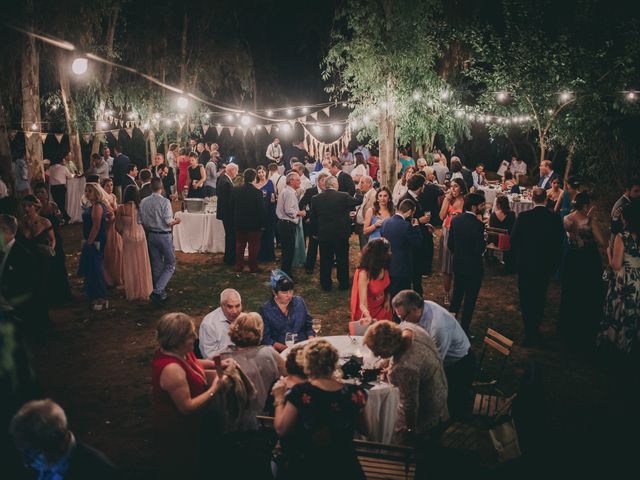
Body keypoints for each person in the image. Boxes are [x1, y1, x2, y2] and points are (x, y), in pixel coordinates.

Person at [272, 339, 368, 480]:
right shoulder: (355, 392)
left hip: (308, 466)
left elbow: (281, 429)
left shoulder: (301, 393)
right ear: (334, 363)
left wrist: (279, 399)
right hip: (344, 466)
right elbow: (366, 429)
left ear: (307, 364)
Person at [364, 321, 448, 468]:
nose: (376, 355)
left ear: (388, 348)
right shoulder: (409, 329)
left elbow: (409, 404)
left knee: (403, 447)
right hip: (440, 385)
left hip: (427, 405)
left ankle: (412, 468)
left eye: (377, 351)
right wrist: (388, 364)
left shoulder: (405, 367)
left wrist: (409, 429)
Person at [152, 313, 225, 478]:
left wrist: (217, 364)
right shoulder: (172, 370)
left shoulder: (182, 352)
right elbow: (186, 407)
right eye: (190, 335)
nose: (196, 337)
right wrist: (214, 388)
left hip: (197, 424)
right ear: (176, 340)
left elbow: (194, 363)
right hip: (179, 431)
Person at [392, 290, 474, 419]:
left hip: (459, 365)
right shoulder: (420, 309)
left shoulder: (439, 327)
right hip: (442, 358)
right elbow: (404, 328)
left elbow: (434, 363)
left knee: (446, 410)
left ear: (414, 310)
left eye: (403, 317)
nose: (401, 321)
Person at [10, 399, 118, 480]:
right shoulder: (50, 461)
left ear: (58, 440)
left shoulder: (99, 471)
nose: (26, 463)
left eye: (33, 453)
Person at [510, 187, 564, 346]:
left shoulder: (523, 217)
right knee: (540, 298)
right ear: (546, 200)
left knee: (526, 298)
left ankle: (529, 331)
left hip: (526, 265)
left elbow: (513, 240)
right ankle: (534, 330)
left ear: (532, 199)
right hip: (544, 265)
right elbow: (559, 243)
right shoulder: (554, 218)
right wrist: (554, 264)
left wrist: (518, 258)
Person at [558, 192, 606, 350]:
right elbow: (601, 242)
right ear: (586, 205)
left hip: (572, 258)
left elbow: (571, 235)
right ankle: (583, 328)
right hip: (587, 260)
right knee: (586, 291)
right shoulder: (590, 221)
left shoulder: (567, 218)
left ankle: (566, 328)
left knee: (571, 290)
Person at [220, 312, 286, 426]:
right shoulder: (269, 353)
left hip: (232, 421)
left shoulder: (223, 357)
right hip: (267, 420)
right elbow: (289, 375)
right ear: (259, 332)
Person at [598, 199, 640, 356]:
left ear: (627, 219)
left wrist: (609, 252)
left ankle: (616, 346)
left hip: (625, 280)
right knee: (633, 312)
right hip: (638, 280)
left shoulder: (622, 237)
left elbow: (616, 265)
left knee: (620, 311)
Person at [0, 214, 49, 341]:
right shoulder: (3, 251)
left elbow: (28, 287)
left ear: (6, 231)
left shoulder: (22, 256)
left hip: (15, 310)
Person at [310, 176, 360, 291]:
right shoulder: (343, 196)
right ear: (334, 184)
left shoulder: (316, 198)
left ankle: (326, 284)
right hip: (340, 234)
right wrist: (359, 191)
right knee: (342, 259)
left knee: (325, 259)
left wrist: (314, 232)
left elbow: (314, 218)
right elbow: (358, 201)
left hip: (324, 234)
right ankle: (343, 283)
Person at [447, 193, 486, 333]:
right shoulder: (478, 225)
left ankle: (450, 327)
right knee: (470, 301)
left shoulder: (456, 221)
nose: (484, 207)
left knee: (456, 297)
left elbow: (450, 244)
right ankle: (464, 330)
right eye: (482, 205)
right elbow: (479, 248)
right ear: (474, 207)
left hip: (458, 264)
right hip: (474, 268)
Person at [139, 179, 181, 306]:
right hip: (164, 235)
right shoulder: (164, 201)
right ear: (161, 187)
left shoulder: (143, 201)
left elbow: (140, 220)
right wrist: (177, 220)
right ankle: (158, 291)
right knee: (170, 264)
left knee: (157, 264)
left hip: (151, 235)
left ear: (151, 187)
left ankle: (161, 294)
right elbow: (168, 221)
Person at [34, 183, 72, 305]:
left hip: (56, 238)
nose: (40, 195)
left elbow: (60, 220)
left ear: (47, 193)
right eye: (37, 192)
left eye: (42, 192)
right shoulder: (34, 209)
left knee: (58, 265)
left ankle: (62, 295)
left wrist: (59, 217)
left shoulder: (53, 206)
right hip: (42, 241)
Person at [259, 271, 314, 352]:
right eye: (284, 292)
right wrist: (286, 349)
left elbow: (309, 324)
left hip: (304, 347)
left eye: (291, 291)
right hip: (281, 351)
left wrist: (311, 338)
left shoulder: (299, 302)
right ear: (274, 292)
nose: (289, 295)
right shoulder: (266, 309)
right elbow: (266, 338)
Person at [397, 174, 434, 294]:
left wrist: (425, 225)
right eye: (423, 185)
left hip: (418, 237)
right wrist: (419, 221)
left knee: (417, 269)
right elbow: (403, 221)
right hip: (410, 241)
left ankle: (417, 292)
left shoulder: (417, 197)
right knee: (413, 270)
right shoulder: (405, 199)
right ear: (420, 186)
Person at [115, 185, 153, 301]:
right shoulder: (141, 207)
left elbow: (117, 226)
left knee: (130, 264)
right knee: (142, 262)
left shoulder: (121, 208)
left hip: (127, 237)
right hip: (140, 236)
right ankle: (144, 289)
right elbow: (146, 223)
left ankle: (132, 290)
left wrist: (124, 233)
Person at [381, 199, 423, 297]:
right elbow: (418, 243)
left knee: (389, 295)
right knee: (402, 297)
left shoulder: (385, 222)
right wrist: (416, 227)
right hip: (402, 268)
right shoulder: (406, 226)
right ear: (409, 212)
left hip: (388, 265)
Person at [78, 183, 109, 311]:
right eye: (86, 191)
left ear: (97, 192)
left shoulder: (97, 206)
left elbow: (96, 226)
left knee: (96, 269)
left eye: (90, 191)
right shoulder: (92, 205)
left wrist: (89, 242)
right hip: (90, 238)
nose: (87, 193)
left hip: (95, 240)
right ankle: (93, 295)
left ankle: (102, 297)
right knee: (92, 268)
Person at [350, 238, 392, 331]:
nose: (390, 253)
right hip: (369, 312)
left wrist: (387, 300)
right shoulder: (364, 274)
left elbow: (387, 286)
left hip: (383, 309)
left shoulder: (384, 266)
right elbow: (362, 303)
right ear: (379, 255)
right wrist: (368, 316)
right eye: (387, 252)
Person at [439, 178, 467, 305]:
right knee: (447, 266)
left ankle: (459, 292)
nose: (453, 189)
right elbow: (441, 216)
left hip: (461, 234)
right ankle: (446, 293)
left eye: (456, 186)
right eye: (451, 186)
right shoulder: (448, 199)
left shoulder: (466, 200)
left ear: (461, 187)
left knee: (460, 264)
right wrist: (447, 200)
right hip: (448, 232)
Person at [231, 168, 265, 273]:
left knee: (239, 246)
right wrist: (263, 224)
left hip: (239, 223)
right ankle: (253, 266)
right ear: (254, 178)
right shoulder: (257, 192)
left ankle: (239, 265)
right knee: (253, 247)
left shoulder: (236, 190)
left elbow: (231, 206)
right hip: (254, 224)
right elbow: (261, 210)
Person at [276, 172, 306, 277]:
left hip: (284, 224)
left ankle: (285, 272)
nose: (300, 181)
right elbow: (289, 210)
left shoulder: (287, 191)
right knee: (288, 251)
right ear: (291, 181)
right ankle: (286, 275)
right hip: (287, 224)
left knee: (287, 251)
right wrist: (301, 213)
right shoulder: (289, 193)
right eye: (297, 180)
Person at [199, 288, 243, 358]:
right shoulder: (209, 324)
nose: (235, 311)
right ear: (222, 306)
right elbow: (208, 356)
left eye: (237, 306)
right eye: (230, 307)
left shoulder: (244, 319)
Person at [299, 171, 328, 273]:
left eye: (326, 181)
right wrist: (307, 216)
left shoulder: (329, 192)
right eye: (322, 180)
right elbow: (301, 203)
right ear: (318, 181)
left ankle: (326, 265)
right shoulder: (311, 191)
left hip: (326, 223)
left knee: (326, 245)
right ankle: (309, 266)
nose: (324, 183)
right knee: (313, 245)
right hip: (314, 223)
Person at [100, 178, 124, 288]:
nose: (110, 188)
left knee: (118, 250)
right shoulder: (102, 199)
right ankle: (108, 277)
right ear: (103, 187)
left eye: (111, 185)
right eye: (107, 186)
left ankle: (118, 275)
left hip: (115, 227)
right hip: (108, 227)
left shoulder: (114, 196)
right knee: (109, 251)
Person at [216, 162, 238, 266]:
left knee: (230, 235)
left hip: (225, 213)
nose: (237, 173)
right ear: (231, 170)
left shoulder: (223, 179)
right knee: (231, 235)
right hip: (228, 213)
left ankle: (229, 257)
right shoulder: (226, 182)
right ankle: (230, 258)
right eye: (236, 171)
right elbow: (228, 200)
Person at [254, 165, 277, 262]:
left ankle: (270, 255)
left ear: (266, 172)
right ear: (257, 174)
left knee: (270, 233)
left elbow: (274, 195)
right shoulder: (255, 185)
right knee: (260, 234)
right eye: (259, 172)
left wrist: (274, 198)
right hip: (259, 212)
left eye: (262, 172)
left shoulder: (271, 182)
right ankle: (260, 255)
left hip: (270, 210)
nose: (261, 174)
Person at [609, 177, 640, 241]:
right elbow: (615, 228)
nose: (639, 194)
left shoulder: (631, 201)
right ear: (628, 190)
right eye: (636, 191)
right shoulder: (622, 205)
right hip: (621, 243)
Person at [48, 157, 74, 223]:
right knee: (61, 204)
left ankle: (62, 218)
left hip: (53, 187)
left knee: (57, 204)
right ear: (60, 161)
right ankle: (66, 217)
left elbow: (48, 174)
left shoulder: (51, 168)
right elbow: (69, 177)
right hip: (61, 187)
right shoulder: (63, 168)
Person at [354, 175, 376, 248]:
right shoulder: (365, 194)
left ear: (369, 184)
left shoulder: (373, 195)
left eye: (362, 182)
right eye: (360, 182)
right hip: (362, 227)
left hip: (368, 228)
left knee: (367, 250)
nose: (360, 185)